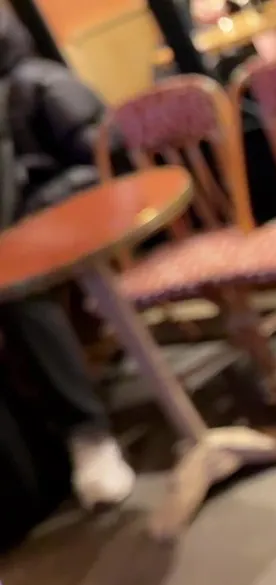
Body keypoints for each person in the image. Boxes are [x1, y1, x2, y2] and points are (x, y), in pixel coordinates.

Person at [0, 3, 133, 546]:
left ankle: (88, 434)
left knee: (19, 294)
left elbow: (105, 159)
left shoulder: (37, 82)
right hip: (21, 233)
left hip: (68, 223)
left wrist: (39, 209)